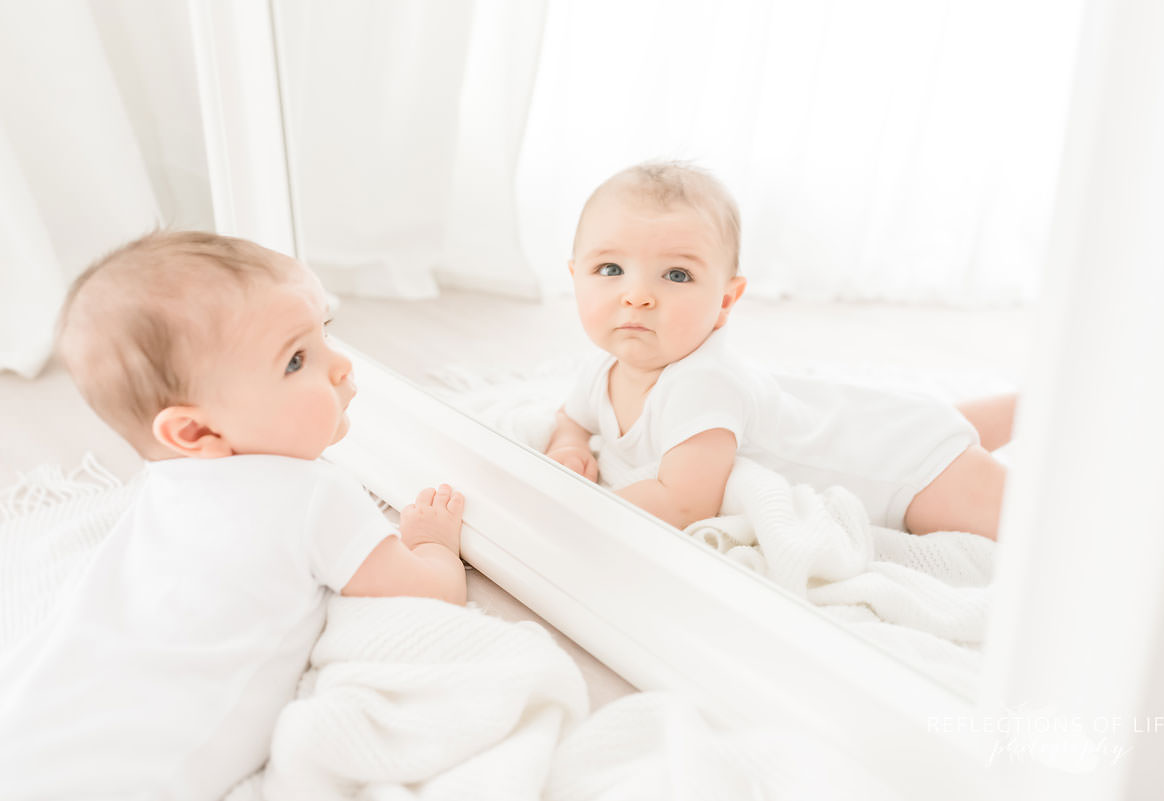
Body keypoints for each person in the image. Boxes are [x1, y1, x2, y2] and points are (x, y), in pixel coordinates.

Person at [0, 231, 467, 800]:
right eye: (297, 360)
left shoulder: (163, 486)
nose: (341, 365)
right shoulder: (313, 495)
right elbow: (430, 597)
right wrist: (433, 542)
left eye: (324, 334)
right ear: (196, 430)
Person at [544, 162, 1014, 539]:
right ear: (574, 277)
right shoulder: (603, 367)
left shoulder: (701, 383)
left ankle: (1054, 412)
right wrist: (569, 445)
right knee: (925, 423)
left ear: (725, 301)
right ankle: (1033, 407)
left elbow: (684, 502)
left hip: (906, 477)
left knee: (1039, 530)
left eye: (676, 275)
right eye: (609, 269)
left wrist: (574, 514)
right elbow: (574, 418)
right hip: (869, 428)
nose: (637, 295)